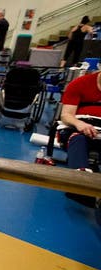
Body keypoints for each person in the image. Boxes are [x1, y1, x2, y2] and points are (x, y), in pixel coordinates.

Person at [59, 71, 101, 207]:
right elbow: (66, 115)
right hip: (79, 127)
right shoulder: (80, 84)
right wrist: (79, 124)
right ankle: (81, 185)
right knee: (78, 139)